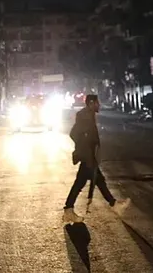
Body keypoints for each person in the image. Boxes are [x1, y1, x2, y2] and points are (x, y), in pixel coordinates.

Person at [63, 94, 130, 223]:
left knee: (95, 181)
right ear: (91, 103)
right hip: (87, 157)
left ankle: (113, 204)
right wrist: (84, 150)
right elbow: (74, 133)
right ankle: (69, 210)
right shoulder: (85, 116)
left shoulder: (89, 115)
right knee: (86, 183)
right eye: (97, 103)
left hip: (89, 156)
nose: (99, 105)